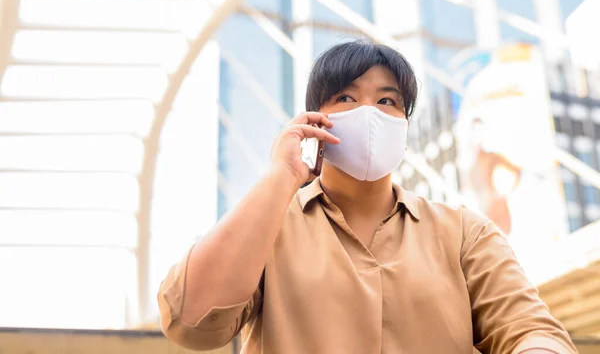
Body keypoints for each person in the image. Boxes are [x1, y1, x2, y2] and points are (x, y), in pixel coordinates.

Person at [158, 41, 576, 353]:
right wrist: (282, 175)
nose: (370, 113)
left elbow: (529, 328)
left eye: (387, 100)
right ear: (314, 119)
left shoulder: (466, 234)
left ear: (405, 123)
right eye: (345, 97)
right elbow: (191, 320)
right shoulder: (269, 229)